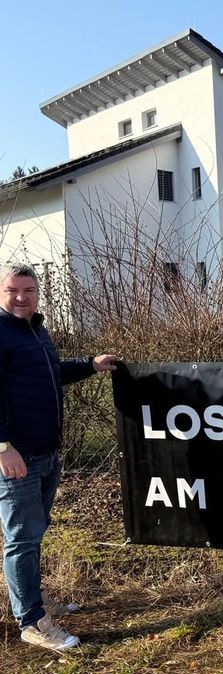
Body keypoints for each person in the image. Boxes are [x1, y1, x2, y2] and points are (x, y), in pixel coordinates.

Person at [0, 263, 118, 652]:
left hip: (46, 454)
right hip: (16, 457)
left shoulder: (36, 330)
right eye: (12, 291)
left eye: (28, 291)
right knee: (21, 538)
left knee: (34, 533)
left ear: (37, 293)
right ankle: (31, 621)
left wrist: (89, 365)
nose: (21, 298)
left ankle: (31, 598)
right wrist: (3, 447)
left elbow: (49, 374)